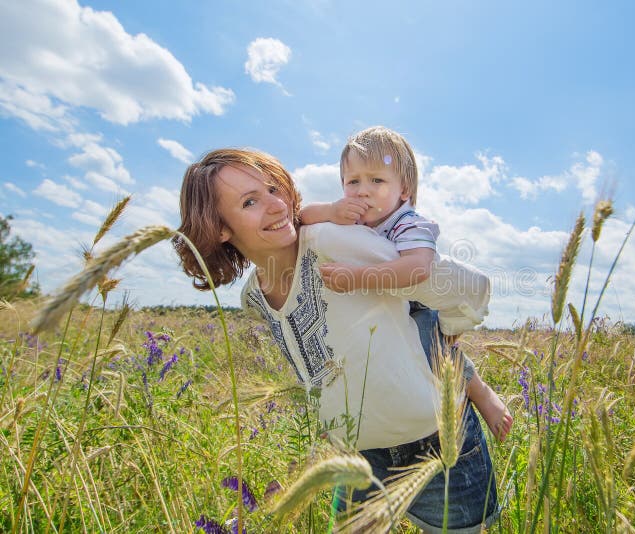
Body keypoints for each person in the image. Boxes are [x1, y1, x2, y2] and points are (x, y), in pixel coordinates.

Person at [173, 148, 499, 532]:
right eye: (249, 202)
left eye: (274, 189)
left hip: (439, 442)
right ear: (220, 228)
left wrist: (452, 324)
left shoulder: (336, 243)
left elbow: (471, 288)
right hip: (355, 456)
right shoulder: (253, 297)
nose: (277, 206)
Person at [300, 126, 513, 441]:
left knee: (434, 351)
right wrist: (331, 210)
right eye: (352, 181)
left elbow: (418, 268)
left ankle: (478, 391)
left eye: (377, 180)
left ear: (404, 190)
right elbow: (303, 218)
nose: (362, 190)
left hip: (417, 306)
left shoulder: (409, 223)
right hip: (380, 308)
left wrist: (358, 277)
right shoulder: (351, 215)